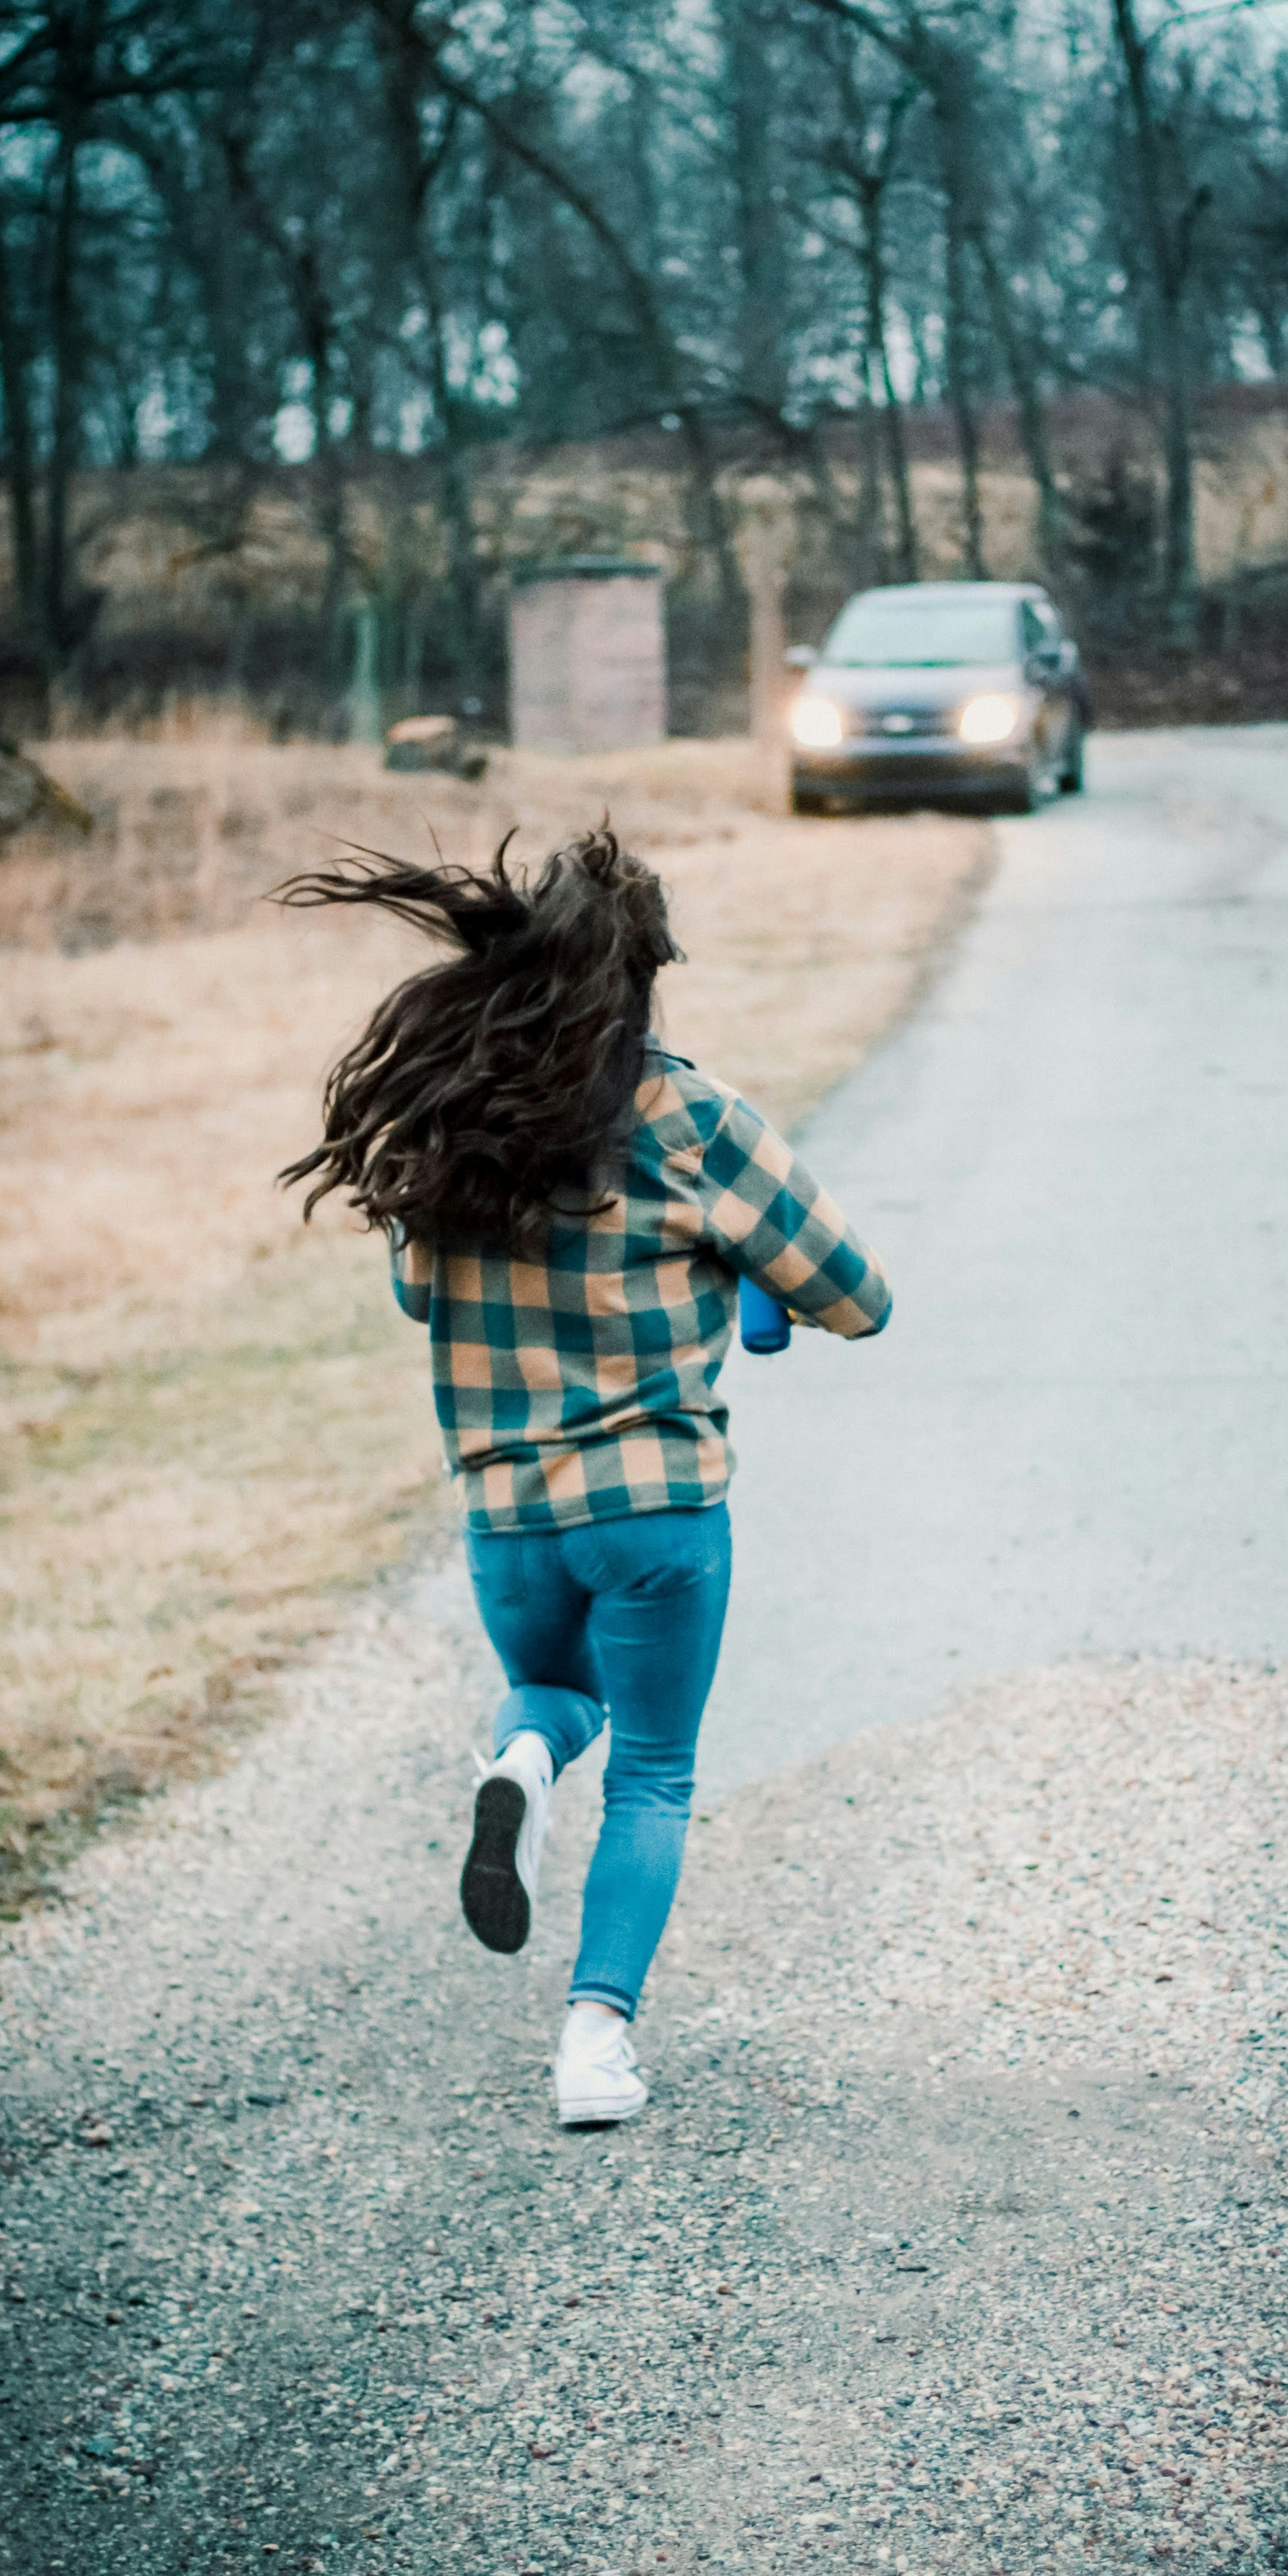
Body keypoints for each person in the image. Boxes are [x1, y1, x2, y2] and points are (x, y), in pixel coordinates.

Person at [278, 831, 891, 2126]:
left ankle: (515, 1766)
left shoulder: (456, 1127)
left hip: (509, 1516)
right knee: (656, 1775)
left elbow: (414, 1291)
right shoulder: (693, 1117)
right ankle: (594, 2044)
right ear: (647, 972)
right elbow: (859, 1298)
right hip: (658, 1512)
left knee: (555, 1691)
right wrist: (737, 1276)